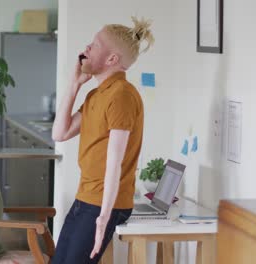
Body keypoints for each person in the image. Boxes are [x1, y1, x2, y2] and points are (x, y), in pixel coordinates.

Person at [51, 17, 155, 264]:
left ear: (112, 59)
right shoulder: (97, 94)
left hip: (101, 205)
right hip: (86, 198)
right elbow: (60, 133)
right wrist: (75, 84)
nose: (86, 48)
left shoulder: (122, 96)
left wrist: (103, 218)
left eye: (95, 45)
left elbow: (114, 162)